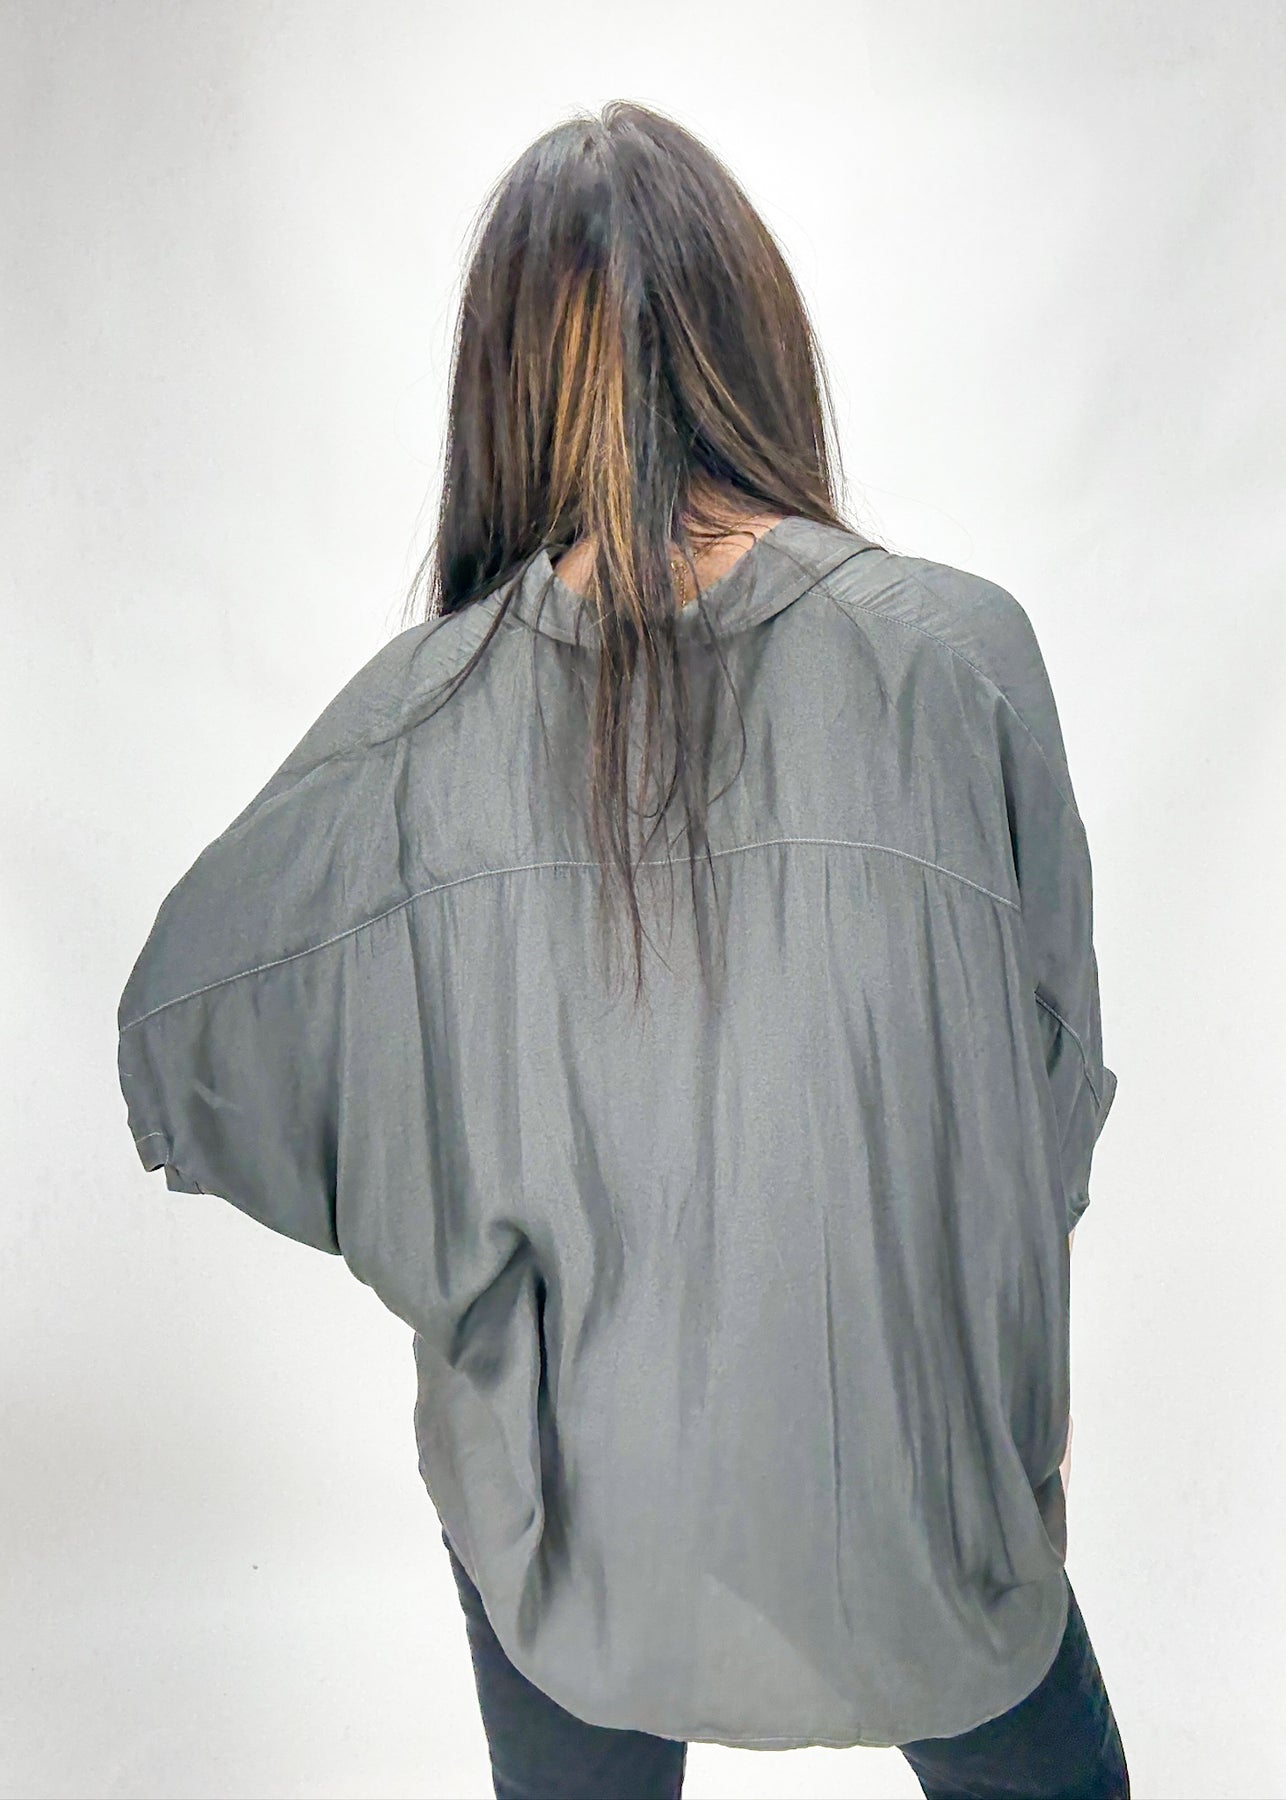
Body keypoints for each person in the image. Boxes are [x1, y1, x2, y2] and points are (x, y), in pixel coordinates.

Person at [117, 99, 1128, 1800]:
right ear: (755, 339)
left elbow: (190, 1034)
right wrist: (1010, 1402)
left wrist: (466, 1250)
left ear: (502, 383)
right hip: (920, 1488)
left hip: (563, 1509)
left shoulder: (417, 728)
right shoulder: (956, 658)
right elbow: (1049, 1093)